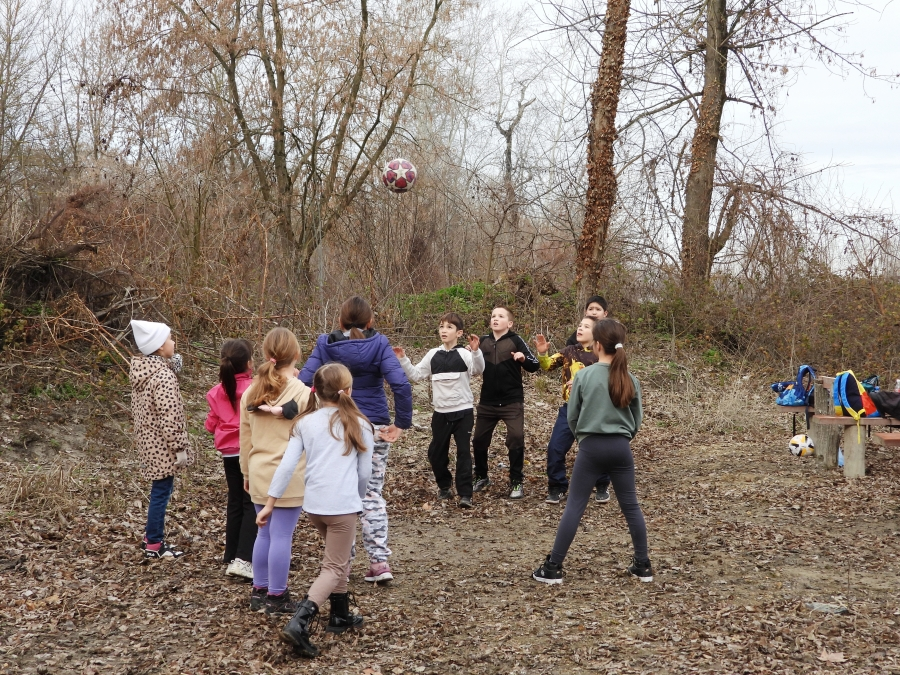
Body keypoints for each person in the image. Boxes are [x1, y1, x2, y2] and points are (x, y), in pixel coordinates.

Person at [257, 363, 373, 658]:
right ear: (347, 391)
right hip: (342, 507)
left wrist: (270, 503)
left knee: (339, 557)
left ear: (317, 392)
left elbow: (286, 466)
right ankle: (300, 621)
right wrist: (357, 501)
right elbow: (363, 474)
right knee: (333, 566)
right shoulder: (360, 424)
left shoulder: (304, 423)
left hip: (314, 507)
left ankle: (340, 615)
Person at [299, 296, 412, 584]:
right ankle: (379, 562)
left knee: (341, 495)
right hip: (373, 425)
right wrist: (401, 423)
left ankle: (341, 564)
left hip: (334, 426)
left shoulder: (326, 344)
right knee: (371, 493)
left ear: (340, 321)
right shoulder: (379, 343)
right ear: (370, 321)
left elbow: (303, 381)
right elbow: (399, 383)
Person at [532, 319, 653, 584]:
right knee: (631, 506)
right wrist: (622, 438)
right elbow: (637, 419)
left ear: (597, 345)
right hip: (621, 448)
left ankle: (553, 567)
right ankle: (643, 565)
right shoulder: (630, 378)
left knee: (574, 506)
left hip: (591, 447)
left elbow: (572, 416)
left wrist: (584, 438)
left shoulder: (584, 376)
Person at [240, 327, 311, 615]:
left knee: (264, 534)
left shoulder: (250, 391)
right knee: (282, 535)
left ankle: (259, 590)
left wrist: (245, 472)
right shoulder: (304, 393)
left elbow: (245, 437)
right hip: (289, 473)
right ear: (296, 355)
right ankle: (277, 596)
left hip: (258, 470)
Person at [393, 312, 484, 508]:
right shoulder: (433, 354)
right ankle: (444, 487)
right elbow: (416, 375)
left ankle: (465, 495)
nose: (444, 330)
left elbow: (478, 370)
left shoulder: (465, 354)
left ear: (459, 333)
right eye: (441, 326)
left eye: (449, 327)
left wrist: (476, 351)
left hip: (463, 412)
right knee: (436, 453)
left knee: (463, 454)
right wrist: (402, 359)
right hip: (440, 413)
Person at [129, 319, 193, 560]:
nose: (173, 342)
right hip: (163, 444)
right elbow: (171, 415)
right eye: (168, 339)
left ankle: (151, 537)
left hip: (149, 440)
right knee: (161, 491)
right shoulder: (163, 377)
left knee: (159, 489)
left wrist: (172, 364)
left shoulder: (144, 370)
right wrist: (180, 448)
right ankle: (154, 542)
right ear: (158, 347)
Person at [535, 317, 611, 504]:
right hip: (570, 409)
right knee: (555, 448)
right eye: (579, 325)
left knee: (598, 449)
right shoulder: (569, 351)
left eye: (586, 327)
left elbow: (609, 380)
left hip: (593, 409)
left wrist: (583, 383)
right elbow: (547, 366)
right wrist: (543, 354)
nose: (580, 328)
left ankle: (602, 484)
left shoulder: (600, 354)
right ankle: (557, 486)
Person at [471, 306, 540, 499]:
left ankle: (516, 481)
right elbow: (470, 364)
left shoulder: (515, 340)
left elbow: (534, 365)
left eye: (500, 316)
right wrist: (473, 351)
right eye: (493, 316)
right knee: (478, 441)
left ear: (509, 323)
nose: (495, 319)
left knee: (516, 438)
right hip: (487, 402)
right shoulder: (482, 341)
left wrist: (522, 358)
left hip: (512, 401)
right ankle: (482, 476)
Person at [205, 338, 256, 579]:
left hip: (228, 453)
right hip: (250, 450)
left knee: (235, 501)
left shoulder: (217, 392)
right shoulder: (255, 389)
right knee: (250, 503)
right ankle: (244, 557)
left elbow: (210, 424)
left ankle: (231, 553)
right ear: (249, 363)